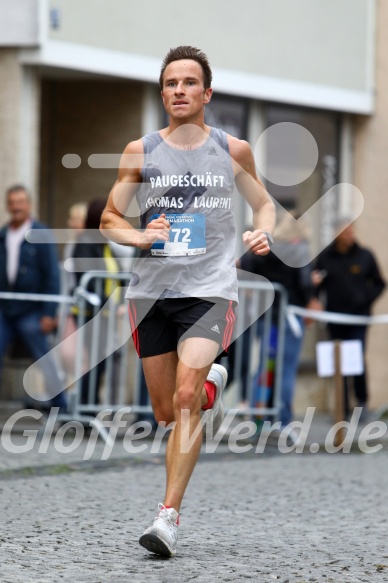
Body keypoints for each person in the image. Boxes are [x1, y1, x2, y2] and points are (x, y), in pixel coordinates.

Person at [100, 45, 275, 557]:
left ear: (207, 92)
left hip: (210, 289)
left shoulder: (233, 149)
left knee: (182, 396)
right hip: (152, 292)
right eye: (171, 83)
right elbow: (110, 216)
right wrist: (138, 237)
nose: (180, 90)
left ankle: (167, 517)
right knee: (165, 411)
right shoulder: (141, 150)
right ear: (163, 93)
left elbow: (264, 205)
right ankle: (213, 386)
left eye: (189, 82)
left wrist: (262, 234)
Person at [241, 211, 319, 428]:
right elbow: (304, 281)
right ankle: (283, 419)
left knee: (265, 366)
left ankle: (259, 418)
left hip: (267, 316)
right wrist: (311, 296)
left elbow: (246, 264)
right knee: (286, 369)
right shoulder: (299, 249)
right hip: (290, 316)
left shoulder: (268, 249)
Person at [0, 185, 67, 410]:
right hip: (5, 309)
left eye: (20, 201)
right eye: (12, 202)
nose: (16, 206)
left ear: (28, 204)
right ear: (8, 205)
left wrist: (49, 312)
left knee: (43, 357)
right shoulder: (3, 235)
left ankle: (61, 406)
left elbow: (52, 275)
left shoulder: (41, 234)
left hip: (32, 310)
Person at [313, 220, 385, 418]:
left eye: (351, 231)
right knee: (338, 363)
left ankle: (361, 403)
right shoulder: (326, 258)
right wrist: (315, 301)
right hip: (335, 319)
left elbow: (379, 283)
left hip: (358, 320)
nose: (349, 235)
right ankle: (341, 408)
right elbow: (315, 285)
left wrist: (365, 299)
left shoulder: (365, 256)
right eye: (345, 232)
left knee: (356, 359)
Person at [71, 199, 121, 405]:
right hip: (91, 314)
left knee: (98, 362)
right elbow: (87, 279)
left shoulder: (104, 244)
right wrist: (109, 305)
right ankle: (85, 405)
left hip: (105, 314)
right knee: (93, 362)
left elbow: (115, 274)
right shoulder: (85, 243)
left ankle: (89, 404)